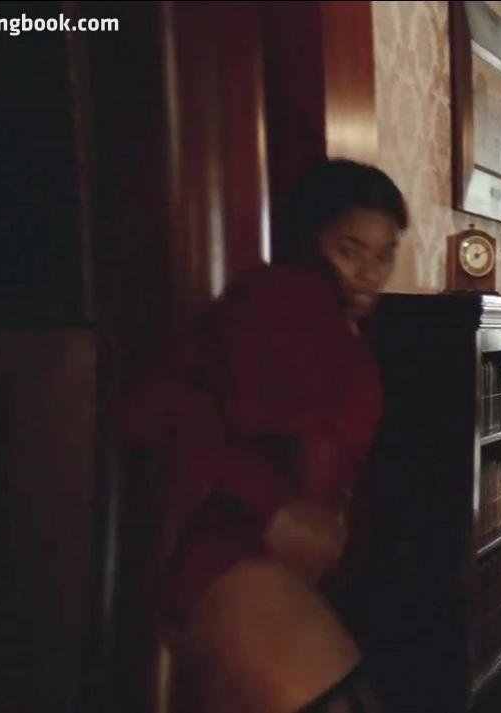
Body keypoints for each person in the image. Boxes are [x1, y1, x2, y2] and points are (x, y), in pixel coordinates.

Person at [116, 159, 406, 713]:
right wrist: (272, 508)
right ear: (310, 237)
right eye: (349, 250)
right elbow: (157, 410)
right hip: (227, 555)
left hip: (268, 567)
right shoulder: (278, 301)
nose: (370, 273)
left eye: (384, 254)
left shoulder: (331, 319)